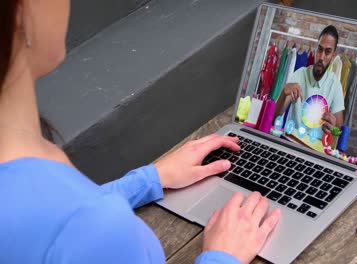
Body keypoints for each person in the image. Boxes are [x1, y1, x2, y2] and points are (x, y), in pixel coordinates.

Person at [0, 0, 281, 263]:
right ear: (23, 10)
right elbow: (72, 226)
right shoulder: (96, 231)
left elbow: (48, 218)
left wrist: (148, 179)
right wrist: (222, 256)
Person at [274, 25, 344, 133]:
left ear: (333, 56)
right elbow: (274, 117)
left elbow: (338, 129)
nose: (321, 57)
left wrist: (332, 127)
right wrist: (283, 93)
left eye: (328, 52)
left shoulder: (335, 85)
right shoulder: (299, 75)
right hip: (290, 143)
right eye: (320, 49)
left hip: (314, 148)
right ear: (316, 49)